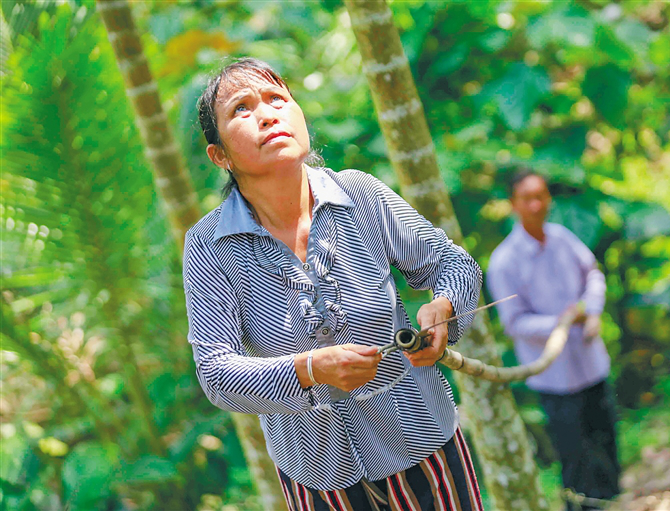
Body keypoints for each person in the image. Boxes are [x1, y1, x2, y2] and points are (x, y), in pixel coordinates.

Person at [184, 57, 485, 510]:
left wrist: (442, 308)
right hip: (319, 478)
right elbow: (214, 371)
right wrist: (309, 369)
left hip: (425, 447)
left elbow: (452, 262)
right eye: (242, 109)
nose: (268, 114)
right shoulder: (209, 246)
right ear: (219, 155)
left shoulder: (361, 195)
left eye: (277, 99)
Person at [486, 169, 621, 511]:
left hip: (590, 361)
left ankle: (617, 500)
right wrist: (559, 322)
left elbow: (592, 273)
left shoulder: (561, 237)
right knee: (573, 452)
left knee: (605, 439)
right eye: (527, 198)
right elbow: (515, 323)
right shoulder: (504, 262)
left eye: (541, 196)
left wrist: (591, 312)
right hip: (553, 375)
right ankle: (581, 505)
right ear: (513, 204)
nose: (536, 204)